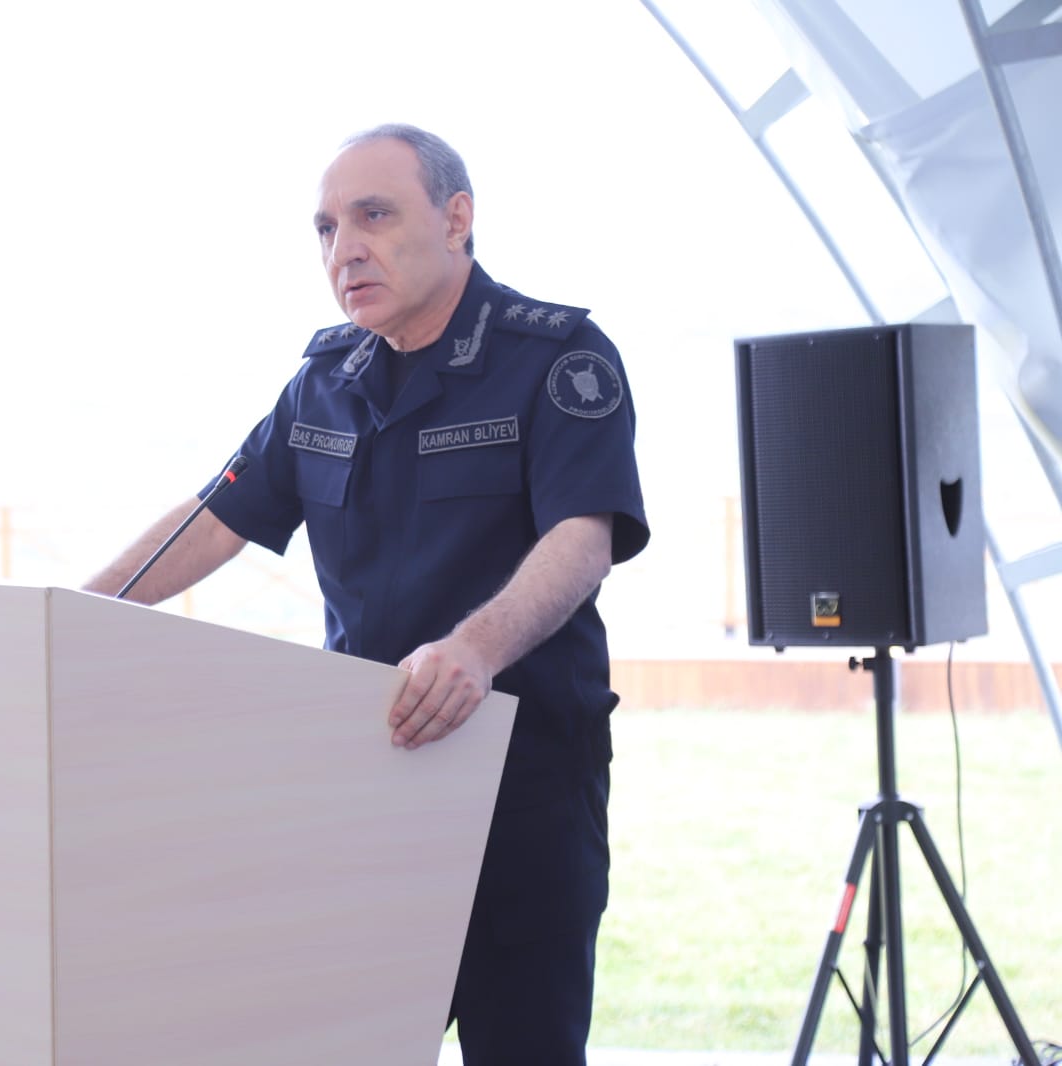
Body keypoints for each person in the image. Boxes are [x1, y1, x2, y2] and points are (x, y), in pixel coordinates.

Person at [83, 123, 648, 1065]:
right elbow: (215, 518)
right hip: (366, 781)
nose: (344, 248)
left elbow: (583, 538)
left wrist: (475, 650)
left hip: (522, 784)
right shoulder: (323, 382)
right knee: (343, 1042)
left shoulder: (558, 359)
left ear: (457, 219)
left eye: (374, 216)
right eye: (326, 228)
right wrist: (70, 615)